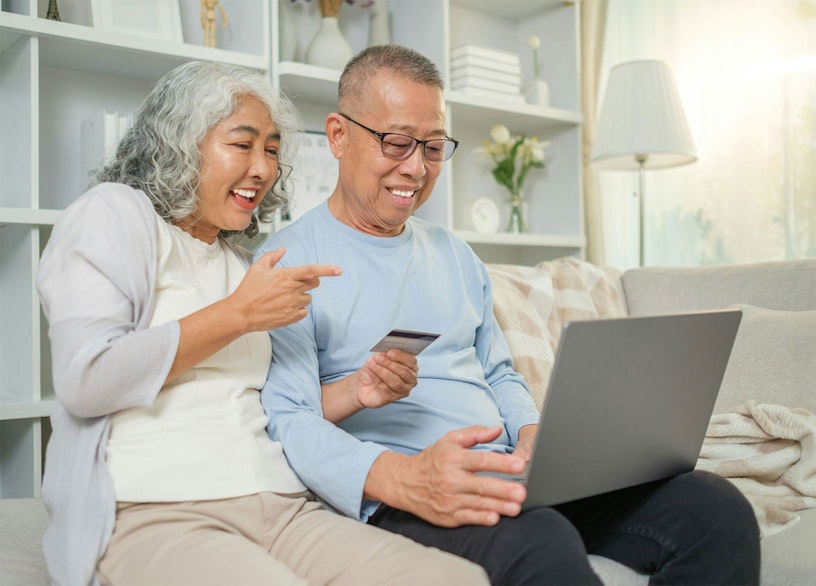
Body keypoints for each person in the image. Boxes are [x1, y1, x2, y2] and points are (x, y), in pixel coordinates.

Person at [259, 44, 761, 585]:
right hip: (411, 488)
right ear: (338, 135)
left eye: (432, 147)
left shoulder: (455, 256)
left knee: (715, 509)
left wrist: (528, 430)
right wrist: (399, 473)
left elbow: (497, 370)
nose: (416, 168)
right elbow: (287, 421)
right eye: (397, 143)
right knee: (541, 543)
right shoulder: (289, 265)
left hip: (508, 472)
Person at [36, 60, 488, 586]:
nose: (262, 168)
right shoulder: (113, 215)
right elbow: (84, 379)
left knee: (457, 580)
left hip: (282, 504)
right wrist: (237, 315)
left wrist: (357, 391)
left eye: (271, 150)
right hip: (158, 508)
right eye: (242, 144)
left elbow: (276, 411)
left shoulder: (244, 262)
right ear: (180, 144)